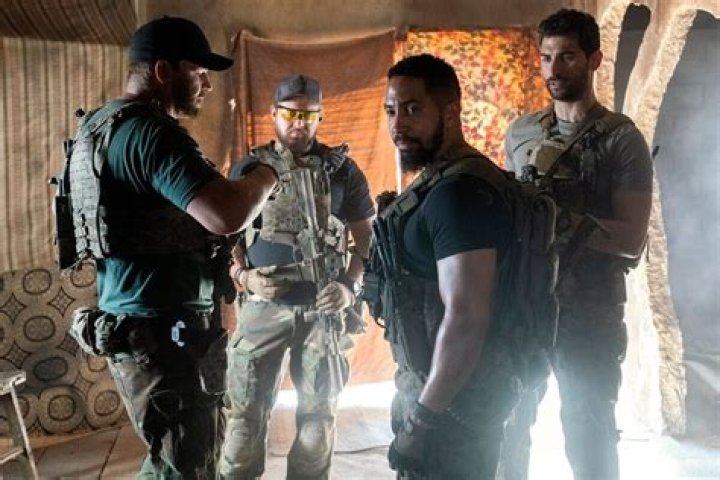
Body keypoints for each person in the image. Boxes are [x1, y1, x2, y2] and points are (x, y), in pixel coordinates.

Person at [62, 16, 279, 479]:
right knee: (186, 464)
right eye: (198, 71)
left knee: (173, 459)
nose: (207, 84)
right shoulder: (152, 133)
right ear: (163, 71)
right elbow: (227, 213)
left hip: (135, 324)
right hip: (163, 335)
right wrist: (266, 175)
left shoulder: (99, 126)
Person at [499, 9, 653, 480]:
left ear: (593, 60)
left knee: (589, 436)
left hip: (589, 312)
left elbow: (631, 239)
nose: (554, 69)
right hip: (526, 305)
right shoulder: (521, 133)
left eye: (567, 56)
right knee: (507, 426)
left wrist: (558, 220)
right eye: (546, 57)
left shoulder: (621, 140)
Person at [366, 53, 520, 479]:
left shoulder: (460, 195)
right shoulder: (438, 182)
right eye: (391, 111)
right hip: (437, 393)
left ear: (450, 112)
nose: (398, 125)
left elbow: (467, 318)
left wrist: (421, 422)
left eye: (413, 109)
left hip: (454, 409)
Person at [219, 74, 375, 479]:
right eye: (290, 114)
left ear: (320, 117)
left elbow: (366, 239)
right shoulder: (251, 168)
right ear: (274, 113)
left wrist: (349, 287)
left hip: (323, 312)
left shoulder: (343, 171)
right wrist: (244, 277)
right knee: (244, 418)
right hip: (263, 308)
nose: (298, 123)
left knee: (318, 419)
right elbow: (225, 236)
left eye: (308, 115)